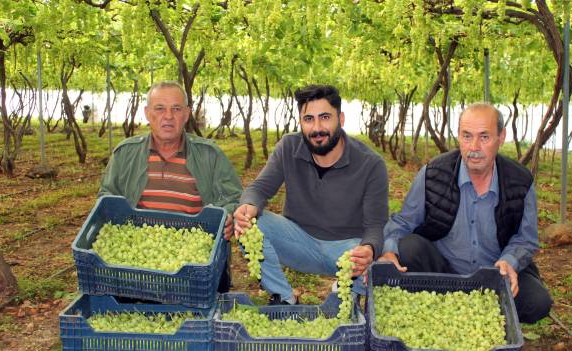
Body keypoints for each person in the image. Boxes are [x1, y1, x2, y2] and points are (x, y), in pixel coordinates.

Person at [379, 103, 552, 323]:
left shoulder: (520, 181)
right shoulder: (433, 174)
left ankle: (476, 308)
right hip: (443, 274)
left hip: (496, 276)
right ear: (458, 136)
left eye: (484, 137)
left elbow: (525, 239)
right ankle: (453, 306)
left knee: (537, 302)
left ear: (501, 137)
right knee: (408, 248)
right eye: (467, 136)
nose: (474, 147)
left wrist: (509, 261)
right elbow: (403, 222)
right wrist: (388, 251)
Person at [233, 84, 388, 305]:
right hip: (298, 242)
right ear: (301, 122)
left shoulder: (371, 163)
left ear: (341, 119)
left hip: (346, 251)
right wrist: (248, 205)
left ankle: (342, 294)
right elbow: (259, 189)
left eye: (325, 117)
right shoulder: (288, 146)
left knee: (379, 262)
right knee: (249, 225)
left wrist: (369, 249)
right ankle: (283, 297)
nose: (317, 128)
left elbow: (376, 225)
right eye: (309, 119)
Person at [98, 81, 242, 292]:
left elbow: (234, 197)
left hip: (194, 260)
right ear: (147, 113)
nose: (168, 116)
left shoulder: (209, 155)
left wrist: (228, 215)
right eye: (159, 109)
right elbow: (106, 198)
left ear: (186, 114)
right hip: (138, 260)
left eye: (176, 109)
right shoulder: (125, 154)